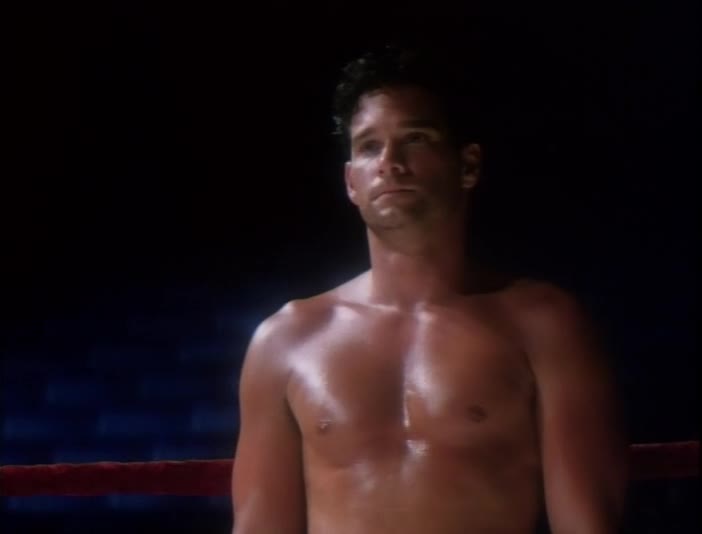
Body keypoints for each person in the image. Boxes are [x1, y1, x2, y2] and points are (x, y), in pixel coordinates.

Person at [231, 43, 628, 534]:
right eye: (369, 146)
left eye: (415, 138)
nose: (389, 162)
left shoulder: (544, 326)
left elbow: (587, 525)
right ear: (351, 181)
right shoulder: (286, 340)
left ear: (468, 166)